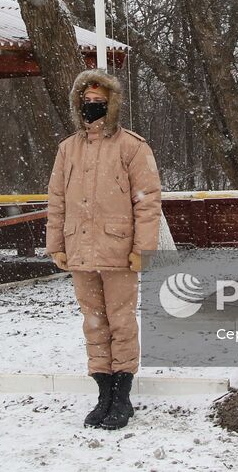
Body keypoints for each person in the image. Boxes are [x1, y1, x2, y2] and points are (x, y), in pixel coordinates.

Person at [46, 70, 162, 431]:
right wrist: (56, 244)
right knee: (94, 324)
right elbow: (57, 201)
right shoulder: (68, 149)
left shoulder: (132, 146)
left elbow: (147, 202)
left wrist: (142, 249)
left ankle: (123, 395)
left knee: (121, 322)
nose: (92, 106)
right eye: (87, 100)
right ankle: (103, 393)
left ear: (111, 104)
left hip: (118, 251)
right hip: (80, 249)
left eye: (99, 101)